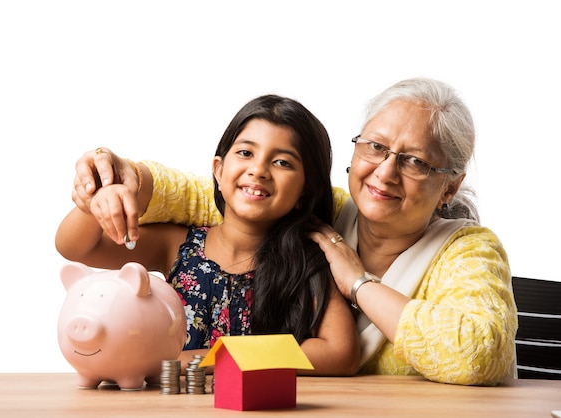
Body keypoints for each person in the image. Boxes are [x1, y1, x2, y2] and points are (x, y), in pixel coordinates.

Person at [69, 78, 518, 386]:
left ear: (451, 185)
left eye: (415, 161)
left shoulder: (467, 251)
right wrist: (122, 179)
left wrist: (358, 283)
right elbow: (214, 195)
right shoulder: (323, 216)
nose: (385, 172)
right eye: (376, 147)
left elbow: (475, 353)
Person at [56, 94, 360, 377]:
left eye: (282, 162)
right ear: (218, 169)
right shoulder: (178, 246)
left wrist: (207, 358)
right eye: (245, 152)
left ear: (304, 192)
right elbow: (78, 247)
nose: (259, 170)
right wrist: (97, 197)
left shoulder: (306, 261)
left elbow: (341, 353)